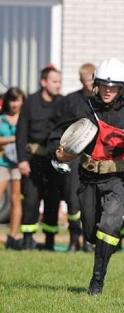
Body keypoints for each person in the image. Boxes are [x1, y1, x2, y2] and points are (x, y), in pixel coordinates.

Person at [50, 58, 124, 295]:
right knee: (92, 233)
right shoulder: (83, 107)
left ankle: (97, 280)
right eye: (103, 85)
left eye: (113, 87)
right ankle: (100, 247)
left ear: (123, 87)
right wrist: (59, 152)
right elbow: (58, 133)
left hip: (118, 180)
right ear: (96, 85)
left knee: (109, 225)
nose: (107, 91)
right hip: (87, 177)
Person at [16, 65, 64, 250]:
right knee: (31, 199)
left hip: (55, 160)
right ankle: (28, 239)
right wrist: (22, 160)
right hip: (33, 159)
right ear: (43, 82)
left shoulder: (63, 103)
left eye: (59, 81)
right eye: (54, 81)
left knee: (53, 199)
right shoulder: (30, 103)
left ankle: (50, 241)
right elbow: (21, 133)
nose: (58, 85)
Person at [59, 62, 96, 251]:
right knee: (73, 198)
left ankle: (89, 240)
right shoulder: (70, 100)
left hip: (94, 156)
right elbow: (62, 126)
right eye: (85, 79)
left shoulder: (102, 101)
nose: (88, 82)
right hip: (73, 156)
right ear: (80, 79)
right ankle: (74, 237)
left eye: (91, 78)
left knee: (90, 198)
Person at [1, 88, 25, 249]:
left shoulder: (24, 118)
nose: (15, 103)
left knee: (15, 199)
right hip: (2, 163)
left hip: (18, 164)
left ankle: (13, 235)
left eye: (17, 100)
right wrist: (15, 138)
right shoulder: (2, 119)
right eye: (12, 100)